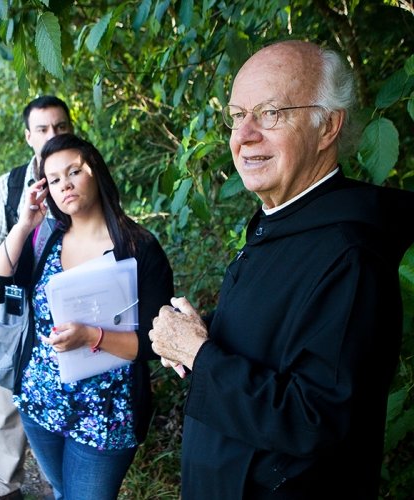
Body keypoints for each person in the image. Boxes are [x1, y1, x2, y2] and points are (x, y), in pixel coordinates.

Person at [149, 40, 414, 499]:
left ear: (328, 126)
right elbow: (281, 343)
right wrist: (201, 335)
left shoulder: (350, 255)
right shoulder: (284, 220)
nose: (244, 134)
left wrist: (200, 355)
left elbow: (316, 419)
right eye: (237, 115)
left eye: (269, 113)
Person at [0, 133, 174, 499]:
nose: (64, 184)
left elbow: (155, 341)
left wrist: (92, 337)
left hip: (107, 417)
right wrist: (23, 225)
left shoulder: (139, 248)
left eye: (73, 172)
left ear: (95, 171)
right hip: (41, 403)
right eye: (53, 179)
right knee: (62, 491)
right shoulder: (46, 240)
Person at [0, 95, 73, 500]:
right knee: (9, 401)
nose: (52, 135)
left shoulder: (86, 177)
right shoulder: (9, 184)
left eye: (60, 127)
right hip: (16, 310)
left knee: (70, 398)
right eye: (43, 129)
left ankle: (66, 485)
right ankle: (3, 486)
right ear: (28, 136)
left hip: (73, 312)